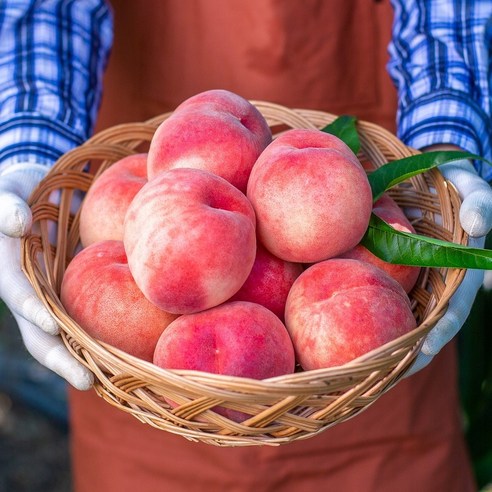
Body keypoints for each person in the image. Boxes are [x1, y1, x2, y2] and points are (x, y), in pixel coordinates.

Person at [0, 1, 491, 490]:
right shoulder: (158, 228)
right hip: (150, 402)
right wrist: (32, 148)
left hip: (375, 405)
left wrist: (444, 138)